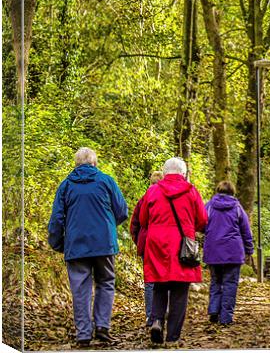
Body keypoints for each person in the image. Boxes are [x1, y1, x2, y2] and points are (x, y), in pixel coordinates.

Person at [48, 147, 128, 347]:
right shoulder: (107, 181)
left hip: (76, 245)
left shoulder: (66, 185)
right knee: (106, 282)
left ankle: (83, 333)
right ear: (95, 163)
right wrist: (107, 226)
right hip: (104, 244)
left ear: (76, 164)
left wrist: (58, 243)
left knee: (80, 288)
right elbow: (122, 210)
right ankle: (102, 327)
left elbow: (57, 218)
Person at [140, 157, 207, 343]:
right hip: (181, 245)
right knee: (179, 290)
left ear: (164, 171)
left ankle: (157, 320)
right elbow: (202, 219)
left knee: (159, 285)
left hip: (157, 243)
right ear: (183, 173)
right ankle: (172, 336)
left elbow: (143, 219)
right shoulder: (191, 191)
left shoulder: (152, 191)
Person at [203, 180, 254, 325]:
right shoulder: (237, 207)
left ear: (218, 191)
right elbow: (246, 231)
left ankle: (213, 311)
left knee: (216, 282)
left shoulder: (209, 206)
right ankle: (226, 318)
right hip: (233, 252)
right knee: (230, 284)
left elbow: (201, 223)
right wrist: (249, 249)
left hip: (213, 251)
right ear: (232, 192)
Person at [130, 170, 164, 328]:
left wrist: (138, 241)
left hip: (146, 243)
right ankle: (161, 316)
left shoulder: (144, 199)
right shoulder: (166, 198)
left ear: (150, 183)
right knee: (164, 280)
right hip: (163, 243)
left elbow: (135, 223)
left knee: (150, 282)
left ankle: (150, 317)